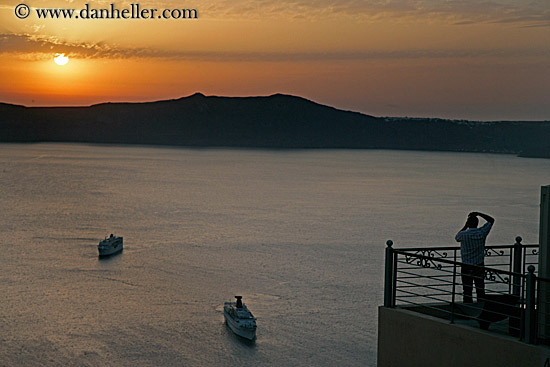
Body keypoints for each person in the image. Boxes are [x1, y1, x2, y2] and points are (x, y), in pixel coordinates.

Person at [455, 211, 495, 303]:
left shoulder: (463, 235)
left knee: (467, 290)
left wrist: (465, 226)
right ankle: (481, 308)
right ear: (477, 223)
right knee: (480, 289)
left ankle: (468, 308)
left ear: (468, 224)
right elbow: (491, 220)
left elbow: (457, 237)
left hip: (466, 266)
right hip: (479, 265)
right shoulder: (482, 233)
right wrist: (479, 213)